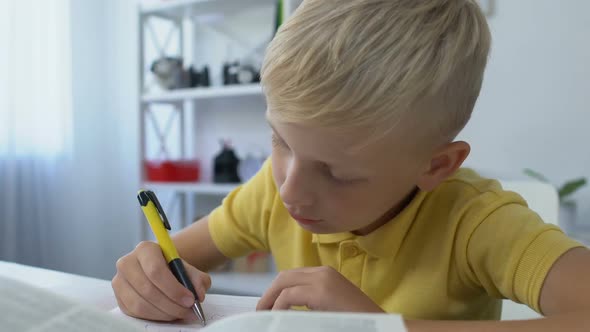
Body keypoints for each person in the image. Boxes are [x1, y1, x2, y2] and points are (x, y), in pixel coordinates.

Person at [113, 0, 590, 330]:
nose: (290, 191)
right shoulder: (271, 190)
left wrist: (382, 329)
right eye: (280, 141)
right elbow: (173, 258)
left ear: (436, 165)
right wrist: (148, 276)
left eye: (338, 172)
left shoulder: (475, 222)